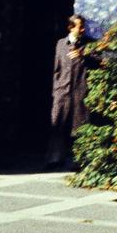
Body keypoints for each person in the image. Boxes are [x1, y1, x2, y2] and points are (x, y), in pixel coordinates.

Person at [49, 14, 97, 168]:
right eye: (79, 26)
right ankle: (55, 159)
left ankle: (81, 160)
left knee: (81, 125)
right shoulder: (60, 44)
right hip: (62, 91)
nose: (83, 29)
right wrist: (56, 88)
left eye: (83, 26)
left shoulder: (90, 45)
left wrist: (85, 56)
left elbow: (102, 62)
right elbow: (57, 68)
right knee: (58, 124)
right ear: (71, 27)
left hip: (81, 90)